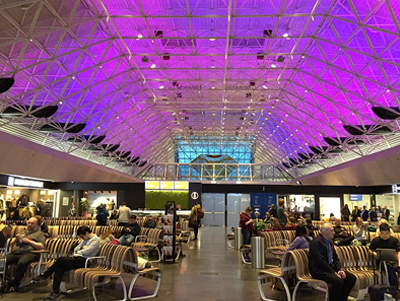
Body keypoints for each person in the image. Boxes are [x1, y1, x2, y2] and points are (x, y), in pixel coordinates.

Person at [32, 226, 100, 301]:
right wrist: (81, 249)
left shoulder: (95, 240)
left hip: (85, 261)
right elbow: (76, 248)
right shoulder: (85, 240)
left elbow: (87, 251)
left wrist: (80, 250)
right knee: (59, 269)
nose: (82, 238)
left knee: (61, 259)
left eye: (82, 236)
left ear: (87, 233)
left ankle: (45, 275)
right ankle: (55, 292)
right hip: (77, 259)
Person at [309, 223, 356, 301]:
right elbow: (320, 261)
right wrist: (333, 272)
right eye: (332, 230)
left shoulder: (330, 242)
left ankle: (341, 299)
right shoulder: (316, 243)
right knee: (338, 281)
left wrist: (340, 269)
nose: (334, 232)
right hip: (319, 271)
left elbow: (335, 258)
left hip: (330, 269)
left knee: (351, 278)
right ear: (325, 231)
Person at [5, 217, 45, 292]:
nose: (29, 225)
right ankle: (9, 281)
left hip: (30, 253)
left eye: (32, 223)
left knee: (22, 263)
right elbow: (11, 243)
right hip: (15, 253)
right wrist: (15, 240)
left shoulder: (39, 234)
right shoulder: (22, 232)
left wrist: (29, 241)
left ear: (37, 224)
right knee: (2, 262)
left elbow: (42, 246)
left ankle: (15, 283)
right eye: (28, 223)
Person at [369, 223, 400, 288]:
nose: (385, 236)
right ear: (380, 232)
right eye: (383, 233)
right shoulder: (376, 240)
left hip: (394, 261)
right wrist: (374, 254)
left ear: (389, 232)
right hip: (381, 262)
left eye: (386, 233)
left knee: (393, 266)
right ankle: (394, 287)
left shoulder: (394, 240)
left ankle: (395, 287)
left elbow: (398, 252)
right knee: (390, 267)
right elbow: (370, 250)